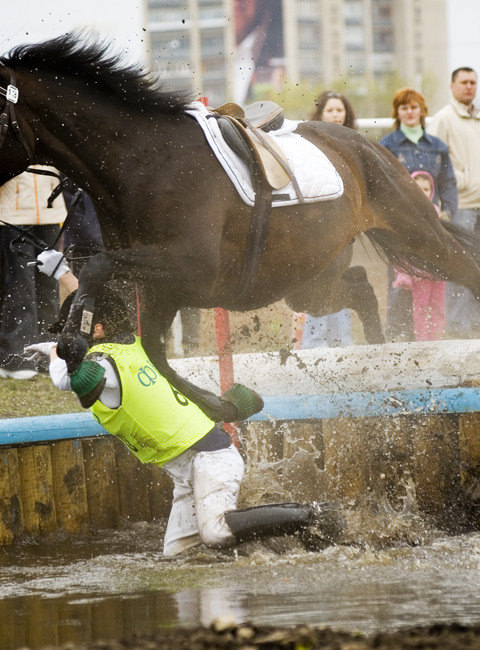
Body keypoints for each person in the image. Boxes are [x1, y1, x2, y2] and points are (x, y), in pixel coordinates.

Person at [25, 250, 341, 555]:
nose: (69, 341)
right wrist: (63, 273)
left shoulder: (104, 361)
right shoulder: (132, 343)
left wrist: (54, 353)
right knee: (180, 557)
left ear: (97, 329)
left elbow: (64, 379)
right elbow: (89, 307)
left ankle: (313, 515)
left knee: (215, 533)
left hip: (210, 457)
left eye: (72, 334)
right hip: (191, 469)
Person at [379, 87, 458, 342]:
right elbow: (381, 184)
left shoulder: (437, 147)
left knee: (433, 279)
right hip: (401, 225)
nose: (410, 112)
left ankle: (431, 334)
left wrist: (448, 213)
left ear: (421, 111)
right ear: (397, 112)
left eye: (414, 107)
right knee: (401, 280)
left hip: (433, 225)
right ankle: (397, 333)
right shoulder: (388, 145)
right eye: (404, 108)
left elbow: (448, 183)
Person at [427, 67, 480, 338]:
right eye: (464, 82)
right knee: (461, 262)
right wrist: (457, 186)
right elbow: (436, 160)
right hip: (463, 202)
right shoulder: (444, 119)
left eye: (473, 82)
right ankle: (457, 323)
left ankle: (475, 320)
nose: (469, 87)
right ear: (453, 86)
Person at [297, 92, 356, 349]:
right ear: (320, 114)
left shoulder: (355, 145)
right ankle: (313, 343)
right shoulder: (308, 145)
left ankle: (341, 340)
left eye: (339, 110)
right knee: (320, 281)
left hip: (346, 225)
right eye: (331, 110)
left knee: (339, 280)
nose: (336, 115)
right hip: (317, 226)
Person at [0, 167, 67, 379]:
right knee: (20, 282)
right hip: (12, 208)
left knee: (49, 282)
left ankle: (48, 352)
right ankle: (15, 354)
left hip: (49, 204)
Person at [392, 171, 448, 341]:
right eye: (418, 188)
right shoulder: (406, 214)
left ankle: (436, 337)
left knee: (437, 305)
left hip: (438, 270)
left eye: (426, 188)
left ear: (431, 191)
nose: (422, 192)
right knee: (421, 306)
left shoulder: (436, 211)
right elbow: (400, 247)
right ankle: (422, 339)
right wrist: (403, 272)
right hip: (419, 271)